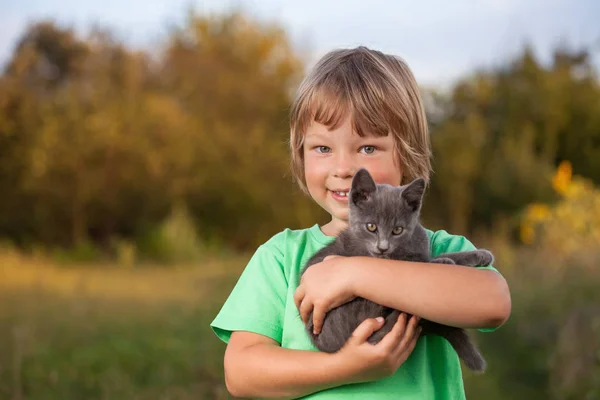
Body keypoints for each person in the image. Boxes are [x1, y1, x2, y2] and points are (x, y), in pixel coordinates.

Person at [210, 46, 511, 399]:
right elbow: (241, 373)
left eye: (367, 148)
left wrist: (351, 274)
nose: (344, 168)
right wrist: (346, 368)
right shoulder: (281, 257)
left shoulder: (437, 247)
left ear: (407, 153)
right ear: (300, 153)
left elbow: (493, 304)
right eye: (323, 149)